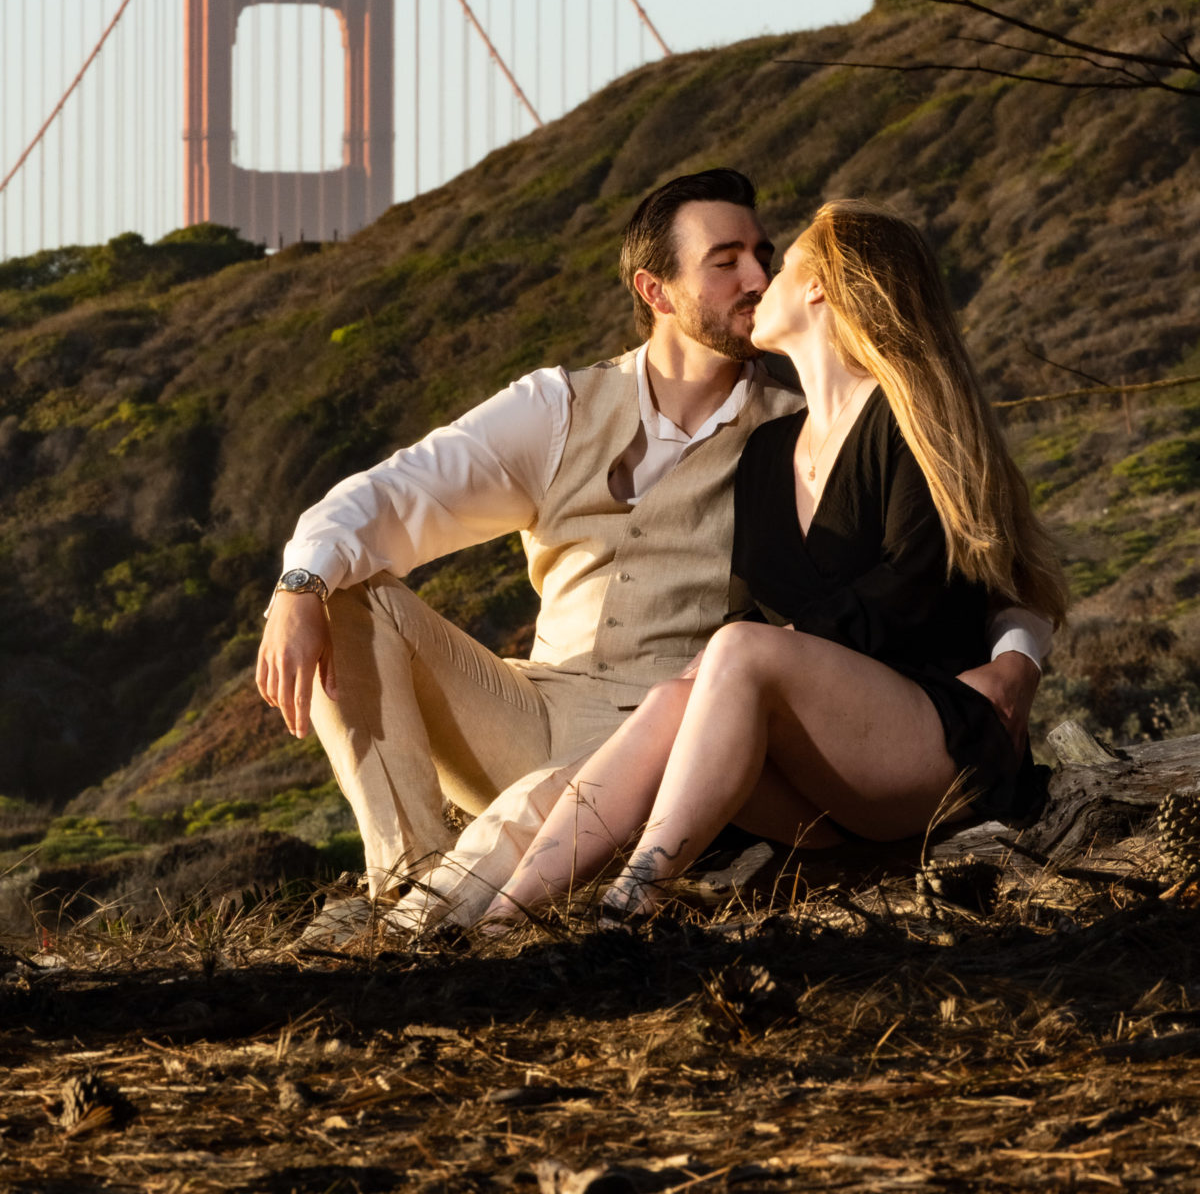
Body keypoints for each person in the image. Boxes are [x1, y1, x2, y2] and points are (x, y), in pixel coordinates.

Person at [255, 173, 1049, 939]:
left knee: (547, 793)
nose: (756, 275)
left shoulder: (810, 422)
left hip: (684, 726)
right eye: (726, 260)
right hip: (535, 708)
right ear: (655, 292)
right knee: (341, 588)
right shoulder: (561, 409)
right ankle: (403, 888)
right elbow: (392, 494)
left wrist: (1018, 661)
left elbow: (980, 552)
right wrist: (297, 586)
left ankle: (425, 933)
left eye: (765, 255)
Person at [480, 198, 1066, 929]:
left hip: (936, 743)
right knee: (674, 700)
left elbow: (915, 584)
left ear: (819, 287)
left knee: (737, 652)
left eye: (782, 264)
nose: (762, 281)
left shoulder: (904, 416)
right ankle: (503, 919)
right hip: (820, 786)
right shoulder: (765, 453)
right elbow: (754, 611)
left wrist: (773, 648)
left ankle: (628, 906)